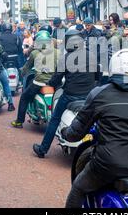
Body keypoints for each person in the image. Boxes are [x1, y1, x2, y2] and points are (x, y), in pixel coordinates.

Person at [60, 49, 128, 208]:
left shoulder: (99, 94)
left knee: (78, 188)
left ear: (114, 67)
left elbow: (75, 133)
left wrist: (65, 132)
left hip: (107, 165)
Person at [32, 30, 99, 158]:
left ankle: (43, 149)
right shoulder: (91, 56)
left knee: (54, 119)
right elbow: (97, 77)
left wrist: (50, 83)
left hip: (70, 96)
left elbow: (56, 79)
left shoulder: (66, 58)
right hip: (89, 96)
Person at [11, 31, 58, 129]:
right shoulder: (58, 52)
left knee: (24, 97)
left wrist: (21, 73)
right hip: (55, 83)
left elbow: (26, 68)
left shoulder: (35, 53)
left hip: (39, 82)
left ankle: (19, 121)